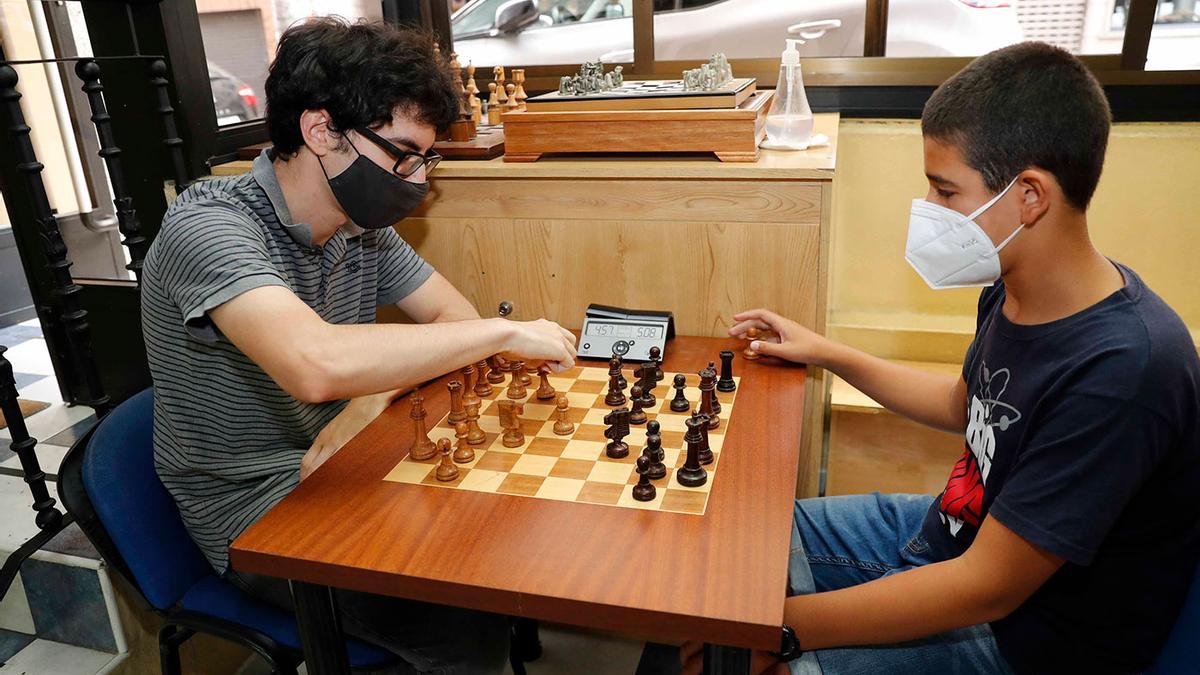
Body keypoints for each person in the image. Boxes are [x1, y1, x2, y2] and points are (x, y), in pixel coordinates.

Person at [686, 42, 1200, 674]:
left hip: (1028, 637)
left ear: (1030, 195)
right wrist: (826, 353)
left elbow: (988, 588)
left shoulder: (1125, 371)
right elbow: (966, 405)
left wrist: (776, 630)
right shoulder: (1011, 290)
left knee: (753, 644)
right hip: (955, 536)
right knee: (743, 538)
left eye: (946, 190)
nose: (930, 212)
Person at [141, 18, 576, 674]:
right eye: (403, 153)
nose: (419, 179)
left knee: (499, 536)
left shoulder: (355, 224)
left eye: (427, 158)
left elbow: (446, 318)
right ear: (321, 131)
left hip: (348, 460)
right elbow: (315, 366)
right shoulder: (207, 229)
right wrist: (504, 330)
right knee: (458, 616)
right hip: (254, 509)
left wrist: (369, 398)